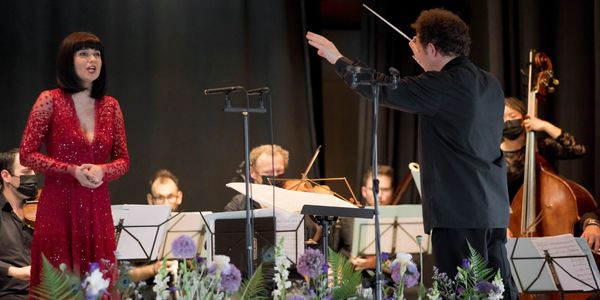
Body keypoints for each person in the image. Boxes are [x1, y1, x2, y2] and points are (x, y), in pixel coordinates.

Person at [307, 8, 516, 299]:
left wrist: (336, 57)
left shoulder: (443, 85)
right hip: (492, 210)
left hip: (458, 214)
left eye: (418, 44)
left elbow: (379, 87)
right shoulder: (490, 83)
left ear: (431, 47)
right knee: (497, 291)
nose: (414, 51)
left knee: (460, 292)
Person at [19, 32, 129, 293]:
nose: (93, 59)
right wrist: (70, 171)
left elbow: (124, 160)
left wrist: (104, 170)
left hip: (97, 209)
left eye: (97, 54)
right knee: (59, 287)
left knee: (98, 287)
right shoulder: (50, 100)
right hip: (58, 208)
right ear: (68, 61)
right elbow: (27, 154)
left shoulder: (111, 106)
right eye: (84, 53)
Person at [502, 96, 586, 201]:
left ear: (524, 118)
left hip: (546, 212)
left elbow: (578, 150)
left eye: (512, 116)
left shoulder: (540, 146)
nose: (507, 121)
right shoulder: (494, 154)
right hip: (510, 216)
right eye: (502, 118)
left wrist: (545, 126)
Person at [331, 165, 394, 268]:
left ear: (392, 191)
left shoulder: (401, 220)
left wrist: (377, 264)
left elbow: (413, 268)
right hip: (352, 280)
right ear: (364, 191)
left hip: (390, 282)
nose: (380, 195)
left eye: (386, 189)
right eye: (375, 189)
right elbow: (331, 255)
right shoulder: (347, 219)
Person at [0, 149, 36, 299]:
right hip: (10, 294)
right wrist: (14, 271)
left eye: (34, 171)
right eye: (27, 172)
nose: (33, 176)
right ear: (6, 176)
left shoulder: (39, 207)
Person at [223, 144, 288, 211]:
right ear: (252, 172)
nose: (275, 175)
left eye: (279, 171)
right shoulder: (238, 205)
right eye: (268, 172)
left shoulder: (292, 199)